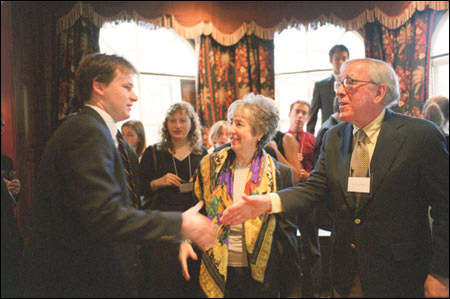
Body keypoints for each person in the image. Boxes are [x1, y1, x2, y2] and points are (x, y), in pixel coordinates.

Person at [221, 58, 449, 298]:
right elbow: (315, 188)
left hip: (402, 274)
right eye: (340, 83)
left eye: (350, 82)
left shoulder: (419, 136)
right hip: (346, 272)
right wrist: (268, 202)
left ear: (379, 92)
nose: (339, 90)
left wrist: (441, 273)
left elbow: (446, 209)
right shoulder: (334, 137)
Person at [23, 53, 217, 298]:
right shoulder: (87, 132)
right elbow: (105, 216)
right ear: (99, 86)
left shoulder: (97, 131)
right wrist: (180, 224)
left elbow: (120, 208)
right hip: (78, 279)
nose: (134, 96)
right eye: (127, 87)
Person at [179, 93, 302, 298]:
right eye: (231, 122)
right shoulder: (209, 167)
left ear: (260, 132)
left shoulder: (280, 174)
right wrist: (184, 241)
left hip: (261, 278)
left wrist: (293, 288)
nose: (231, 130)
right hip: (217, 271)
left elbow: (286, 233)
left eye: (239, 124)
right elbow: (195, 211)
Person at [138, 101, 207, 297]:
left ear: (192, 124)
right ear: (166, 124)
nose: (177, 125)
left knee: (191, 280)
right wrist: (157, 182)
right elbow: (140, 188)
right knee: (163, 280)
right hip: (162, 225)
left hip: (193, 224)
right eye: (173, 120)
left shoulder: (203, 154)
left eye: (183, 121)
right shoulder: (153, 152)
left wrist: (200, 185)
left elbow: (212, 193)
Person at [269, 100, 322, 297]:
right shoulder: (277, 138)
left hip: (305, 196)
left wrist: (275, 152)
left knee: (311, 247)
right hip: (281, 202)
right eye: (297, 112)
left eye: (304, 113)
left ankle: (312, 293)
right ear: (289, 114)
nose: (300, 116)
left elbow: (303, 173)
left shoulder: (310, 139)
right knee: (286, 249)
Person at [307, 44, 349, 135]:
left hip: (349, 131)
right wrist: (309, 138)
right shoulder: (320, 86)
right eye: (337, 59)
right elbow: (313, 115)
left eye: (344, 58)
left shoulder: (354, 84)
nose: (341, 62)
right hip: (328, 133)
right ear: (331, 61)